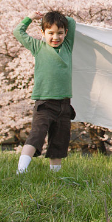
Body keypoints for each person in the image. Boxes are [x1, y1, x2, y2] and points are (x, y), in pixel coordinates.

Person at [13, 10, 76, 174]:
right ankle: (21, 170)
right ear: (42, 33)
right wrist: (31, 18)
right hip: (44, 103)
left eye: (60, 33)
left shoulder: (67, 47)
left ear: (66, 33)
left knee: (59, 141)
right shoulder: (38, 47)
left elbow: (72, 21)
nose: (56, 37)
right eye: (51, 33)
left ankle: (56, 175)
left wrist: (56, 15)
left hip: (64, 104)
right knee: (36, 135)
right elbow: (17, 32)